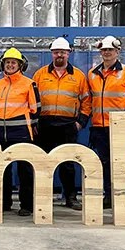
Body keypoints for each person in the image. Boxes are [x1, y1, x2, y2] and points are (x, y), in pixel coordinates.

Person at [80, 36, 125, 209]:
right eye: (104, 50)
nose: (107, 53)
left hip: (120, 127)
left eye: (110, 50)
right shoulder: (92, 74)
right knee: (103, 163)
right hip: (98, 127)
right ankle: (108, 196)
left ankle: (122, 198)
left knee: (121, 164)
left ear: (117, 52)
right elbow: (89, 100)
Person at [32, 36, 88, 210]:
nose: (59, 55)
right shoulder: (40, 74)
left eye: (63, 52)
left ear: (68, 54)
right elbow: (31, 100)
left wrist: (80, 123)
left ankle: (71, 197)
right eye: (56, 52)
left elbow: (87, 101)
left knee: (68, 163)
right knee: (42, 162)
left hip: (68, 125)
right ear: (52, 54)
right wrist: (34, 122)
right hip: (45, 124)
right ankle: (42, 198)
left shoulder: (78, 76)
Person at [0, 47, 40, 216]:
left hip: (21, 132)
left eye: (14, 62)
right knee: (3, 169)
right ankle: (5, 203)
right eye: (7, 62)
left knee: (24, 170)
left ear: (21, 65)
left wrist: (31, 128)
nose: (10, 65)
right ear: (2, 64)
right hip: (0, 132)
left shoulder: (29, 84)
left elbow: (35, 109)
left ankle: (26, 205)